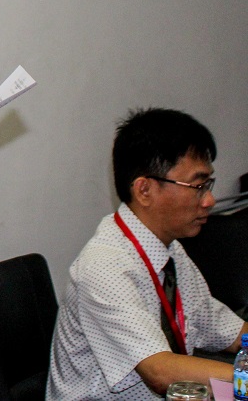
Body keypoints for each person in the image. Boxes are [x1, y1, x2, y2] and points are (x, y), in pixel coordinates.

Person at [46, 108, 248, 399]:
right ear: (144, 190)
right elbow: (161, 372)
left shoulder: (169, 250)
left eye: (208, 185)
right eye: (198, 186)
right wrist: (243, 379)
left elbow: (222, 328)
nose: (209, 200)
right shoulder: (104, 266)